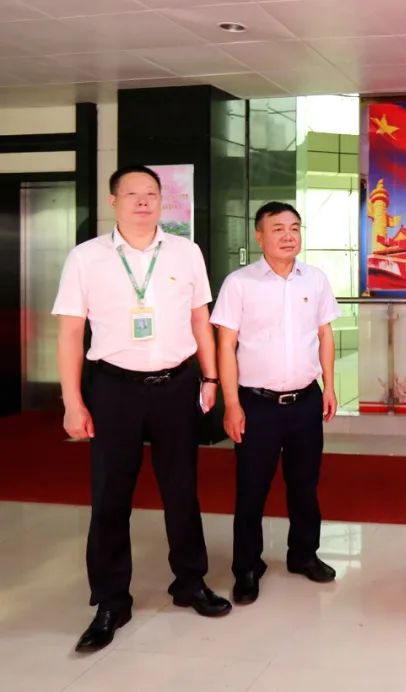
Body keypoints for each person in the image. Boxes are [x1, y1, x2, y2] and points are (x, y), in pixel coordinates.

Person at [53, 165, 232, 654]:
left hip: (176, 385)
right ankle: (111, 601)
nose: (142, 202)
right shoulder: (86, 257)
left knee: (182, 489)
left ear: (161, 201)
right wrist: (72, 401)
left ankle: (190, 583)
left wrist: (210, 377)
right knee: (110, 496)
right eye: (131, 194)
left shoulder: (185, 252)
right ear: (113, 201)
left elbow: (200, 320)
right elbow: (70, 333)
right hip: (114, 388)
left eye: (151, 193)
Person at [210, 201, 341, 606]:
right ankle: (247, 567)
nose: (288, 236)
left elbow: (325, 334)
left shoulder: (315, 279)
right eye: (278, 228)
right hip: (257, 404)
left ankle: (304, 554)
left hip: (305, 400)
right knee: (252, 488)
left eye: (295, 228)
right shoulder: (240, 283)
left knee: (305, 484)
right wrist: (232, 404)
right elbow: (225, 345)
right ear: (259, 236)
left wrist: (329, 386)